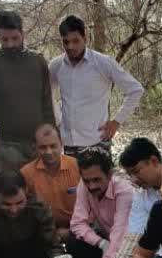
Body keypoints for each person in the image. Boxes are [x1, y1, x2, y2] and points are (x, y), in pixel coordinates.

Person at [49, 14, 144, 158]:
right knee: (72, 182)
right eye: (65, 42)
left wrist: (116, 122)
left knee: (100, 181)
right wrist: (57, 121)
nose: (70, 46)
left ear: (85, 38)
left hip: (97, 142)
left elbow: (135, 89)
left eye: (76, 41)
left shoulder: (103, 63)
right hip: (68, 144)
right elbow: (46, 93)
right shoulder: (56, 65)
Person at [0, 10, 55, 174]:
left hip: (38, 143)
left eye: (15, 38)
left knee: (40, 195)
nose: (10, 44)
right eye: (5, 39)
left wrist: (52, 137)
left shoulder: (37, 61)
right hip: (7, 145)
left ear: (22, 34)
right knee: (10, 194)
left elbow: (46, 103)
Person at [70, 147, 135, 258]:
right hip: (108, 243)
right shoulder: (84, 185)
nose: (91, 186)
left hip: (130, 246)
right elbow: (76, 223)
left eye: (97, 180)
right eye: (87, 181)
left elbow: (119, 238)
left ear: (110, 174)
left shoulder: (124, 192)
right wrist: (101, 243)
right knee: (74, 241)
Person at [20, 123, 82, 239]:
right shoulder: (26, 173)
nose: (49, 152)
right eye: (43, 147)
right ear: (35, 147)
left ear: (61, 144)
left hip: (78, 229)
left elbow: (92, 206)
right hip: (42, 233)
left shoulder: (77, 166)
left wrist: (71, 231)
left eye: (53, 146)